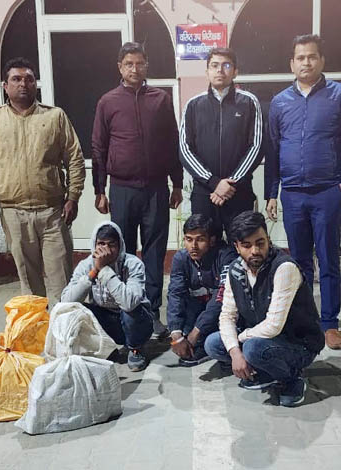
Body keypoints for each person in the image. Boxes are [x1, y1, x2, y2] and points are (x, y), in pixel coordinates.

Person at [265, 35, 341, 350]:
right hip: (292, 194)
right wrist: (272, 193)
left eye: (312, 57)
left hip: (327, 193)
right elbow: (273, 150)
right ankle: (304, 322)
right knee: (298, 264)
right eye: (300, 57)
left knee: (328, 260)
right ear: (291, 64)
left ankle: (330, 324)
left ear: (322, 60)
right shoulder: (280, 102)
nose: (306, 62)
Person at [0, 57, 85, 305]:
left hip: (53, 213)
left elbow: (74, 158)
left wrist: (73, 197)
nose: (23, 84)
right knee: (29, 287)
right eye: (16, 79)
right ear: (5, 86)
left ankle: (62, 328)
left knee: (62, 282)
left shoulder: (54, 117)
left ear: (35, 84)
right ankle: (36, 328)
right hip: (14, 214)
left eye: (29, 79)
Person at [92, 42, 183, 339]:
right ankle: (127, 312)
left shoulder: (160, 100)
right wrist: (99, 189)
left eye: (140, 63)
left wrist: (177, 183)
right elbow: (99, 147)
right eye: (129, 64)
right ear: (120, 67)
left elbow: (172, 143)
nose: (135, 68)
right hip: (122, 189)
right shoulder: (108, 102)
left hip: (156, 188)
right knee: (123, 252)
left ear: (146, 66)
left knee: (155, 253)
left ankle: (151, 312)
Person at [204, 211, 325, 407]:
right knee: (213, 344)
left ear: (268, 240)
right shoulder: (235, 270)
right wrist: (235, 353)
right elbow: (227, 316)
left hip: (298, 343)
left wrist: (240, 340)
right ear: (236, 246)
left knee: (251, 349)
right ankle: (265, 371)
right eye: (247, 245)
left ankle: (291, 379)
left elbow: (273, 326)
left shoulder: (284, 268)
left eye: (260, 243)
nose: (255, 251)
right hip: (261, 338)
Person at [179, 47, 263, 238]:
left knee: (241, 246)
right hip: (204, 194)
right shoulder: (194, 105)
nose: (220, 70)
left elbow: (256, 147)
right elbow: (184, 149)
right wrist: (214, 183)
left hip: (239, 192)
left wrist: (230, 184)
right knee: (206, 247)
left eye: (226, 65)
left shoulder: (249, 102)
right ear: (207, 71)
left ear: (235, 71)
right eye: (214, 65)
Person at [61, 221, 154, 372]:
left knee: (130, 308)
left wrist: (104, 270)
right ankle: (106, 349)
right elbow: (66, 301)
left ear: (120, 245)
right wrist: (93, 273)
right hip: (108, 320)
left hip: (137, 321)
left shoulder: (133, 264)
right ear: (94, 245)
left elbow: (129, 303)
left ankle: (136, 349)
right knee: (75, 310)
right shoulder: (86, 265)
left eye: (111, 245)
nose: (106, 250)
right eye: (101, 244)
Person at [167, 214, 237, 366]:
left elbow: (222, 297)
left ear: (212, 240)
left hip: (222, 313)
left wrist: (196, 332)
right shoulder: (181, 258)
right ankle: (198, 343)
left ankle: (207, 344)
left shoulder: (226, 256)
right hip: (197, 309)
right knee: (182, 324)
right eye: (189, 239)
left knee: (213, 335)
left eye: (200, 239)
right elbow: (175, 294)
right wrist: (176, 335)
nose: (193, 246)